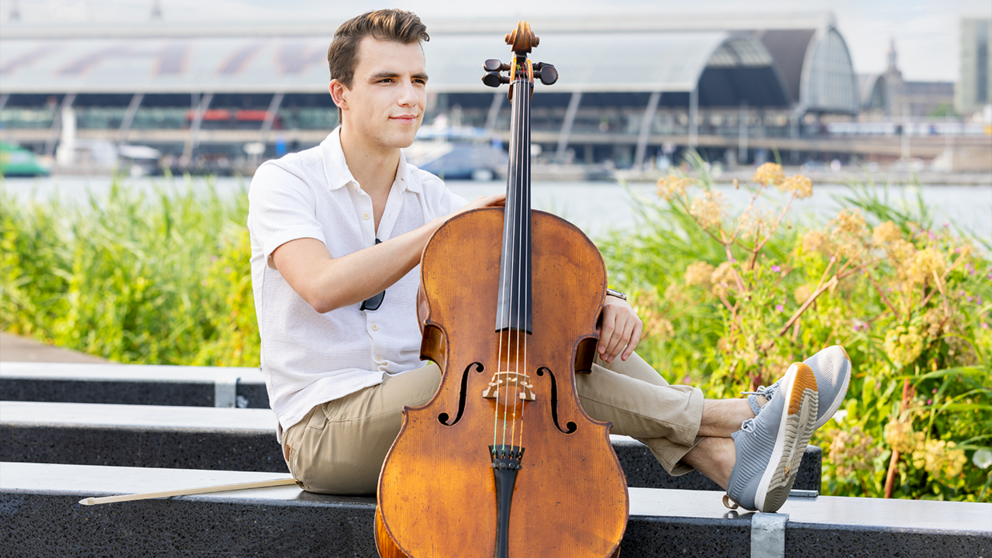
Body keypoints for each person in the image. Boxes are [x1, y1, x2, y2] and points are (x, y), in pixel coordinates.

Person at [247, 9, 851, 514]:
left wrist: (606, 304)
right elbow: (321, 285)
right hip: (326, 432)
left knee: (558, 336)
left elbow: (534, 278)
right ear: (341, 94)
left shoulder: (428, 194)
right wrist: (447, 229)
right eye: (386, 81)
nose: (409, 97)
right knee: (502, 369)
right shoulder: (286, 182)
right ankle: (738, 416)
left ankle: (728, 463)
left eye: (418, 80)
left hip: (430, 413)